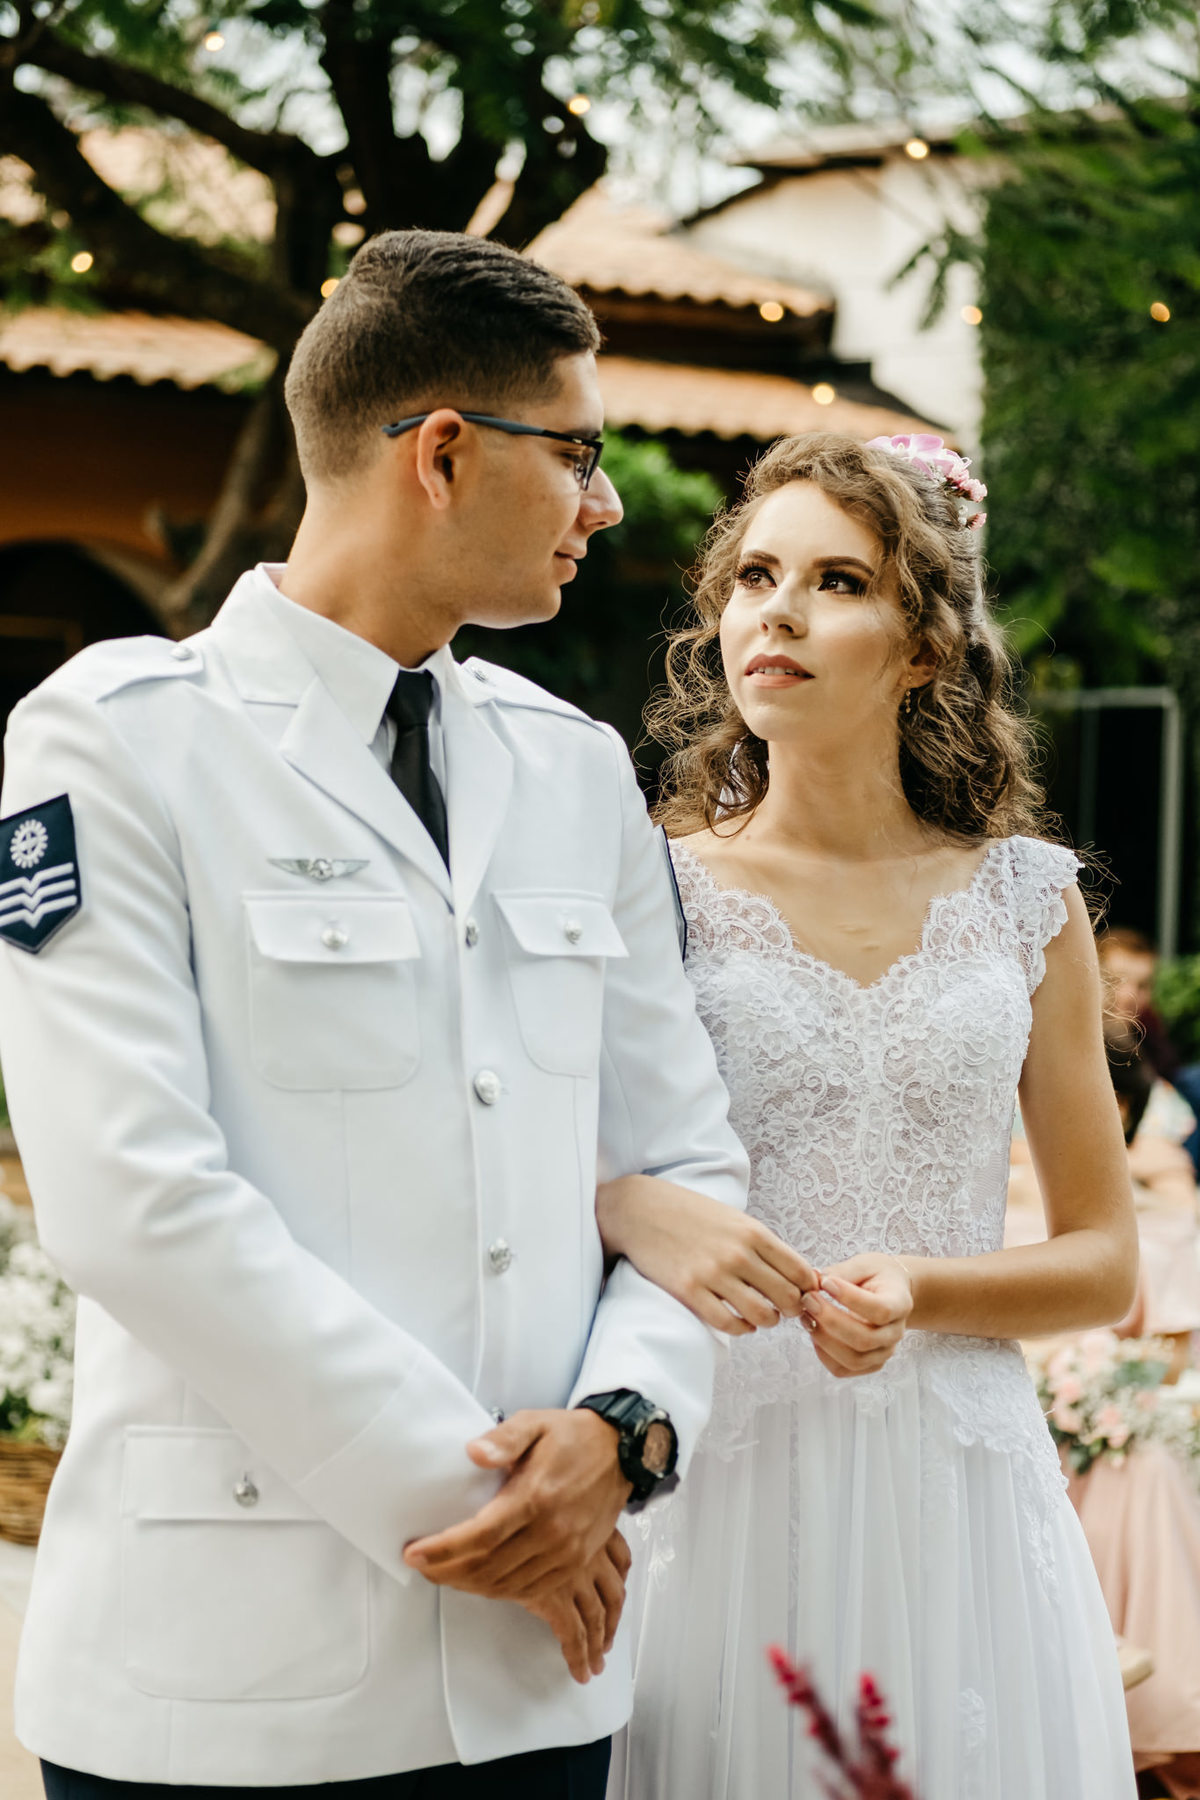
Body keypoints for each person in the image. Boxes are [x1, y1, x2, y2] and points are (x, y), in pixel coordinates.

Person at [0, 230, 755, 1799]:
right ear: (444, 452)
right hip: (230, 1678)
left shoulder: (573, 767)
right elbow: (130, 1199)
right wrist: (495, 1516)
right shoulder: (115, 740)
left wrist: (622, 1437)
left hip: (540, 1682)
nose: (605, 504)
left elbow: (686, 1162)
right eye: (583, 453)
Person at [598, 431, 1140, 1798]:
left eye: (837, 580)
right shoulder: (650, 888)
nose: (774, 609)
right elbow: (566, 1173)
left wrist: (918, 1286)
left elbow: (1103, 1259)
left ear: (923, 651)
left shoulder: (1029, 899)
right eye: (754, 575)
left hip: (957, 1483)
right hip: (718, 1472)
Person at [1009, 1043, 1200, 1797]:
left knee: (1142, 1464)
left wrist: (1087, 1379)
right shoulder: (986, 1188)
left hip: (1091, 1406)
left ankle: (1154, 1715)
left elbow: (1171, 1355)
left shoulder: (1160, 1217)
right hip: (1004, 1388)